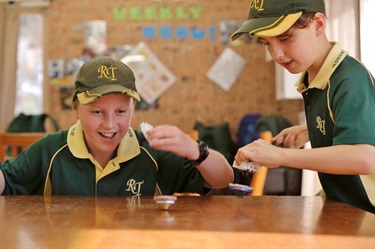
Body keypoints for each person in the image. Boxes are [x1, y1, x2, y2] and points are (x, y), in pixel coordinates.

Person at [0, 57, 234, 196]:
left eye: (121, 112)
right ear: (75, 110)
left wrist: (197, 150)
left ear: (132, 110)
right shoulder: (50, 150)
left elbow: (222, 179)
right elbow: (6, 181)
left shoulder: (153, 152)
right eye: (96, 111)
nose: (110, 124)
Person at [231, 0, 375, 213]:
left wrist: (280, 157)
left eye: (285, 38)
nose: (276, 54)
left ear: (317, 24)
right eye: (267, 43)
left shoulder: (350, 79)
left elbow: (363, 158)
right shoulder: (313, 78)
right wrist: (311, 130)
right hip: (344, 208)